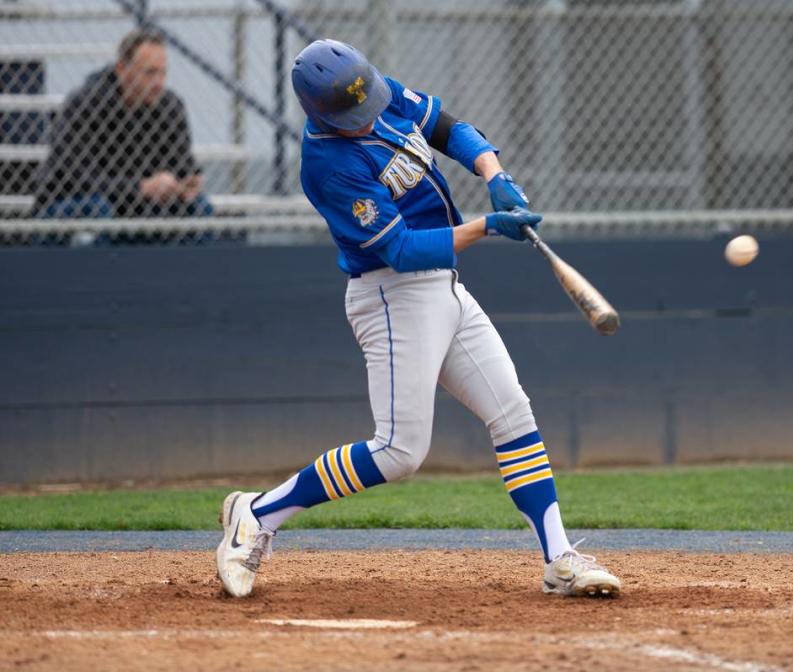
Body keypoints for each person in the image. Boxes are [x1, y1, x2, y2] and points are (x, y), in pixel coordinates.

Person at [216, 39, 621, 599]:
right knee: (400, 451)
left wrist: (493, 172)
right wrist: (486, 226)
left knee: (512, 412)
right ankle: (258, 514)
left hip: (446, 290)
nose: (369, 118)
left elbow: (449, 127)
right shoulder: (329, 164)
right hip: (392, 297)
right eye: (353, 115)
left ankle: (560, 558)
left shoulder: (370, 91)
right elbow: (402, 249)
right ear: (320, 112)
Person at [33, 28, 213, 222]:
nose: (159, 82)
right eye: (150, 73)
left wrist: (187, 184)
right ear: (122, 69)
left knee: (200, 207)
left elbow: (182, 164)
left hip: (137, 207)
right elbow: (77, 180)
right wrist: (140, 187)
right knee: (96, 208)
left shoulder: (170, 106)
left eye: (163, 73)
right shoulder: (84, 104)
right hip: (71, 203)